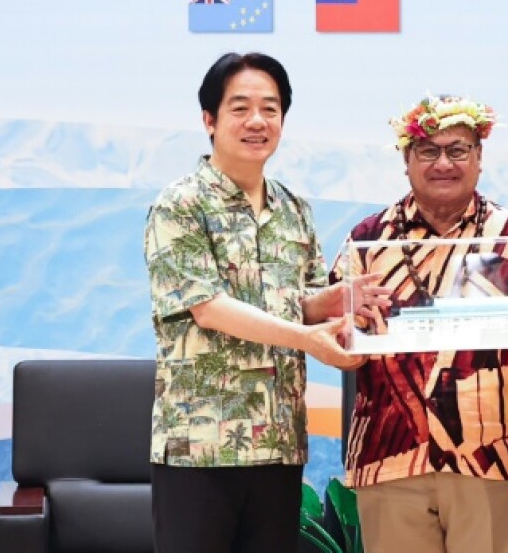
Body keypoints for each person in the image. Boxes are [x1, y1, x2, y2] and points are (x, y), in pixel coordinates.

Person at [331, 95, 508, 553]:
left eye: (458, 150)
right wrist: (343, 337)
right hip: (390, 459)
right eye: (428, 150)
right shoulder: (367, 240)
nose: (443, 163)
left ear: (479, 158)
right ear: (406, 161)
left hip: (492, 458)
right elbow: (333, 334)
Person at [143, 51, 362, 553]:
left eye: (270, 108)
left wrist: (338, 301)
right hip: (201, 446)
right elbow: (207, 307)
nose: (257, 121)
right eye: (240, 108)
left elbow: (300, 302)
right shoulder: (179, 205)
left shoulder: (294, 210)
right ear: (209, 120)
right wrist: (306, 337)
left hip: (278, 442)